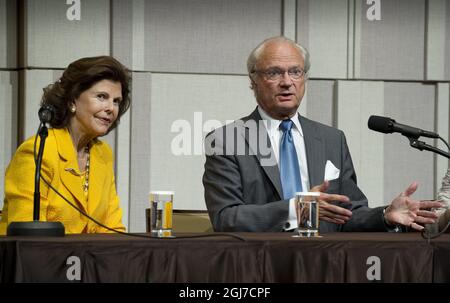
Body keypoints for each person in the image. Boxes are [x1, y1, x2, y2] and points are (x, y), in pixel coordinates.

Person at [203, 36, 443, 232]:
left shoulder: (331, 139)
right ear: (253, 81)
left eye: (295, 72)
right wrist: (296, 209)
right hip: (259, 263)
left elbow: (348, 214)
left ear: (304, 78)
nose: (287, 82)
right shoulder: (227, 140)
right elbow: (226, 217)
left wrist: (385, 215)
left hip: (324, 262)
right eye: (274, 73)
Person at [0, 56, 131, 234]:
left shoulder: (103, 154)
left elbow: (112, 228)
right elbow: (27, 238)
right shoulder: (38, 152)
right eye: (102, 97)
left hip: (89, 261)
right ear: (72, 101)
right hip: (43, 260)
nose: (111, 108)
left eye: (116, 101)